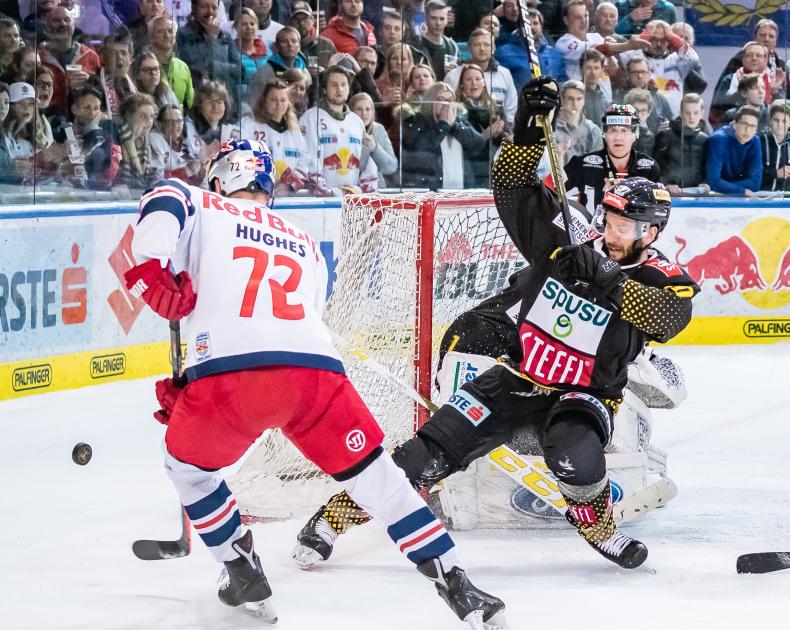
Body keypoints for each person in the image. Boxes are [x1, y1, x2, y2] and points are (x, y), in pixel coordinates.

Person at [122, 137, 507, 627]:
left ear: (219, 180)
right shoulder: (302, 242)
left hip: (232, 381)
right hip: (318, 376)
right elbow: (282, 318)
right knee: (381, 483)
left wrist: (150, 270)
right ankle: (458, 581)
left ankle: (240, 566)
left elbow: (162, 198)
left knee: (189, 470)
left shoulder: (199, 203)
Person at [386, 77, 696, 569]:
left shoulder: (665, 277)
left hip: (584, 395)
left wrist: (605, 275)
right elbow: (509, 186)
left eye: (625, 228)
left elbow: (666, 317)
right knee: (424, 455)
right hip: (516, 378)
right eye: (610, 222)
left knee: (575, 453)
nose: (612, 234)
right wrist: (529, 128)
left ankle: (595, 522)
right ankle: (332, 520)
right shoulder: (570, 241)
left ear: (652, 231)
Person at [236, 79, 327, 195]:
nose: (279, 104)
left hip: (287, 199)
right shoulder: (248, 125)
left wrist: (289, 184)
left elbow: (305, 159)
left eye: (283, 100)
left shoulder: (294, 130)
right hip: (256, 196)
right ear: (264, 101)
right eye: (273, 99)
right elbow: (240, 157)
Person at [565, 103, 661, 211]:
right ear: (604, 134)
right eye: (613, 130)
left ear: (635, 134)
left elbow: (660, 207)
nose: (618, 137)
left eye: (624, 130)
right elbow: (550, 189)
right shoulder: (582, 164)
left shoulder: (649, 167)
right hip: (591, 227)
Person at [299, 66, 380, 193]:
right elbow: (308, 159)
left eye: (344, 85)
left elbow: (365, 162)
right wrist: (325, 192)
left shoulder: (356, 121)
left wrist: (368, 188)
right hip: (322, 201)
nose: (339, 89)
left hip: (351, 198)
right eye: (334, 85)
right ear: (325, 89)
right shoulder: (310, 118)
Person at [36, 5, 101, 118]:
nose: (63, 24)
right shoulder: (38, 57)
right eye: (56, 21)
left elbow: (100, 93)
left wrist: (89, 84)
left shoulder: (91, 56)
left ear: (74, 25)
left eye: (67, 20)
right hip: (45, 119)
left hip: (82, 120)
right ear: (46, 26)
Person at [445, 29, 518, 125]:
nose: (482, 48)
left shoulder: (505, 74)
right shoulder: (453, 75)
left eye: (487, 45)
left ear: (493, 48)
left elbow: (510, 110)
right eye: (476, 45)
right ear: (469, 48)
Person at [175, 0, 242, 102]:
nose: (210, 12)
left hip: (225, 98)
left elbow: (241, 71)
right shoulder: (183, 34)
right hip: (198, 98)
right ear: (194, 8)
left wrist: (217, 67)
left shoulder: (225, 36)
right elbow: (198, 67)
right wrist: (212, 40)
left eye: (214, 8)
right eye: (204, 7)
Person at [634, 20, 699, 119]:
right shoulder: (638, 58)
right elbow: (627, 52)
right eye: (654, 40)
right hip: (646, 119)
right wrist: (646, 34)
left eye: (663, 40)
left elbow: (693, 58)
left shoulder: (677, 59)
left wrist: (671, 35)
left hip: (675, 121)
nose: (659, 44)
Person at [459, 64, 509, 186]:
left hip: (495, 170)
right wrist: (486, 134)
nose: (473, 83)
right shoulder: (458, 110)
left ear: (484, 82)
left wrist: (500, 134)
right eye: (468, 79)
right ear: (461, 85)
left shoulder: (496, 108)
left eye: (477, 79)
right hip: (470, 170)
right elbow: (465, 146)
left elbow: (507, 141)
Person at [654, 92, 709, 194]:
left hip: (697, 195)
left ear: (702, 113)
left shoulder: (704, 139)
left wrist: (705, 183)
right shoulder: (665, 136)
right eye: (687, 113)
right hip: (670, 193)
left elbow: (706, 168)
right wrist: (665, 184)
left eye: (696, 113)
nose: (691, 117)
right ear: (681, 113)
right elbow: (656, 165)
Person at [706, 105, 762, 196]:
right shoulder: (719, 139)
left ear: (756, 129)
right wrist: (741, 191)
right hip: (716, 197)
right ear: (735, 124)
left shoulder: (755, 141)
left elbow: (755, 183)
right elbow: (713, 180)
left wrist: (726, 187)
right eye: (744, 124)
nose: (748, 130)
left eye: (752, 126)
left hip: (729, 193)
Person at [759, 100, 790, 192]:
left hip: (785, 198)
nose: (780, 125)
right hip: (759, 196)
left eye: (784, 121)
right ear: (770, 121)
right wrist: (776, 173)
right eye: (776, 120)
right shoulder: (759, 142)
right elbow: (751, 173)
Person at [148, 15, 194, 110]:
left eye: (170, 31)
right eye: (160, 31)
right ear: (151, 37)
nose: (167, 35)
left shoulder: (183, 67)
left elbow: (190, 105)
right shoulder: (142, 65)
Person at [149, 103, 204, 183]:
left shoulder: (186, 142)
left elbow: (197, 178)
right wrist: (185, 171)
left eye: (179, 121)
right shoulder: (155, 139)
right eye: (169, 121)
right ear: (161, 124)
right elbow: (157, 179)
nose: (175, 125)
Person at [406, 0, 455, 80]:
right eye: (433, 18)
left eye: (442, 19)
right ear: (425, 18)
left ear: (447, 20)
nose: (438, 23)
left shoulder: (452, 47)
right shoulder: (413, 47)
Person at [556, 79, 603, 162]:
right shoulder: (551, 128)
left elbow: (597, 164)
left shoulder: (593, 131)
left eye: (579, 99)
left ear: (584, 101)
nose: (575, 103)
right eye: (570, 99)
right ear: (562, 100)